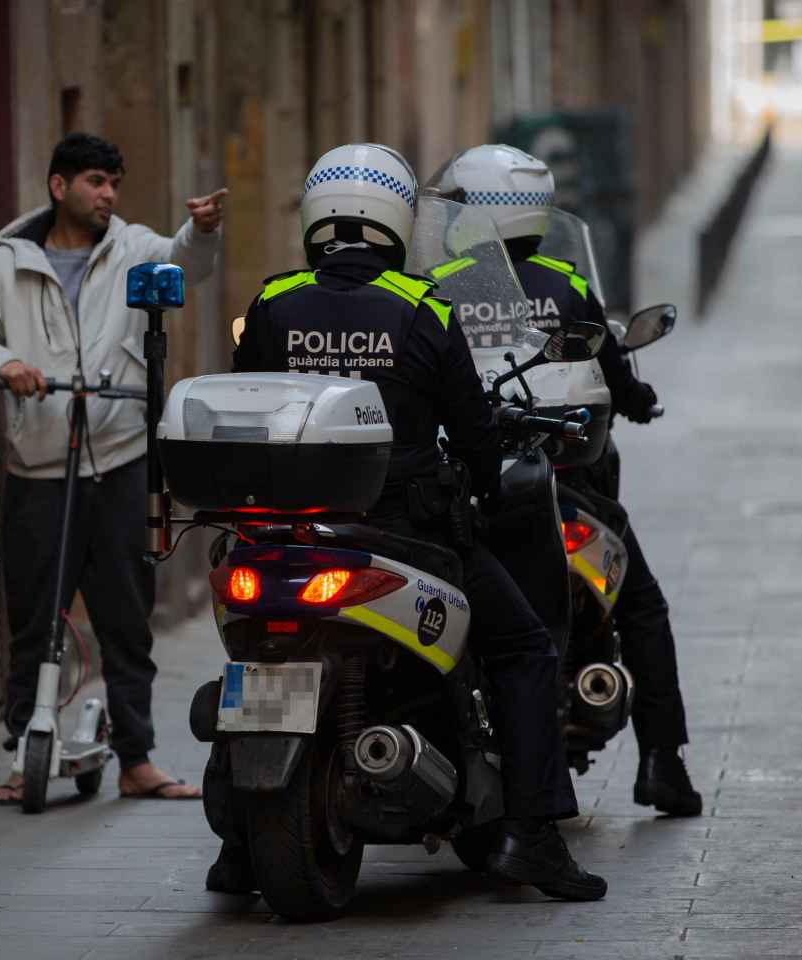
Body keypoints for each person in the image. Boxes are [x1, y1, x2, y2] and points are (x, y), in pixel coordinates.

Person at [213, 142, 607, 901]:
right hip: (409, 534)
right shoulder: (424, 308)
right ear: (398, 218)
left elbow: (248, 403)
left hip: (288, 537)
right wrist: (487, 494)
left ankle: (237, 849)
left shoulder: (272, 301)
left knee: (251, 655)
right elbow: (475, 431)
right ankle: (537, 836)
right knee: (524, 649)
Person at [0, 132, 227, 805]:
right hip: (38, 468)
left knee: (127, 619)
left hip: (119, 461)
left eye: (114, 185)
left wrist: (201, 229)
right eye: (96, 182)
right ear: (58, 185)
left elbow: (188, 264)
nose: (107, 196)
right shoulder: (5, 267)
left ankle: (137, 758)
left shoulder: (132, 249)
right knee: (35, 617)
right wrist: (5, 365)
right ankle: (24, 754)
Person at [430, 144, 702, 817]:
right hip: (557, 481)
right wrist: (638, 402)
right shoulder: (568, 285)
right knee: (640, 605)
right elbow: (618, 378)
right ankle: (662, 763)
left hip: (466, 482)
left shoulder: (441, 288)